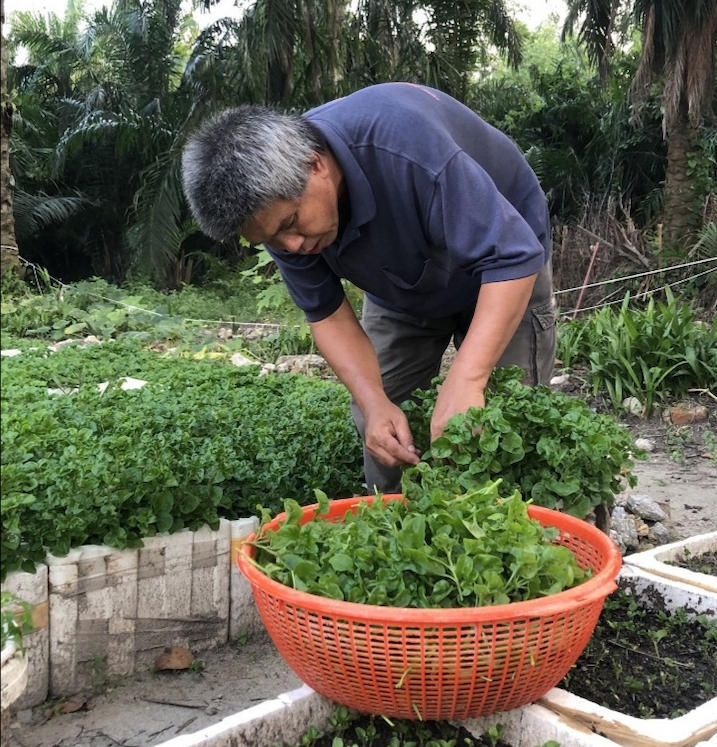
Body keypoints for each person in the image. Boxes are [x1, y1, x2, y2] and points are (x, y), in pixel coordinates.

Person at [181, 82, 556, 494]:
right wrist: (374, 402)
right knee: (382, 423)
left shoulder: (406, 145)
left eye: (290, 224)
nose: (290, 247)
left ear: (315, 165)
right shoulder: (278, 216)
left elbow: (511, 256)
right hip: (401, 281)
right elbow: (326, 315)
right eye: (270, 240)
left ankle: (511, 535)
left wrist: (468, 379)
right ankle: (399, 533)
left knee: (500, 420)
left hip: (504, 267)